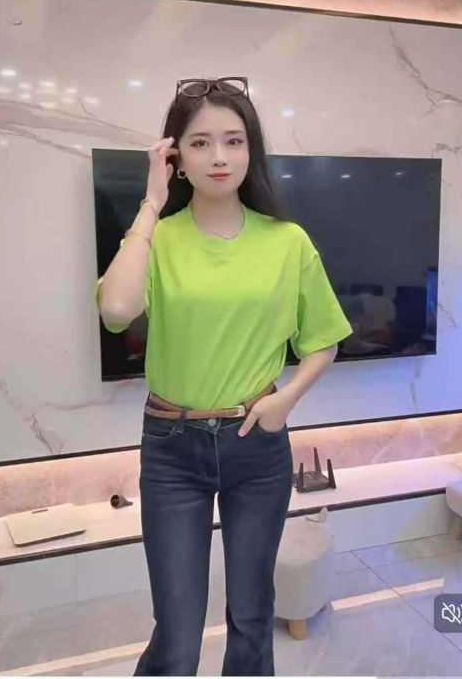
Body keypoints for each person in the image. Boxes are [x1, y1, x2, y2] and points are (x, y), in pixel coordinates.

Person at [96, 77, 353, 676]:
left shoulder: (287, 242)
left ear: (251, 150)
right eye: (200, 142)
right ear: (176, 157)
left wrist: (286, 399)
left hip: (256, 444)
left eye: (234, 141)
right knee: (178, 633)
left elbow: (324, 341)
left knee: (252, 619)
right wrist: (150, 204)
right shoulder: (158, 239)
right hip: (172, 447)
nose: (219, 156)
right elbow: (116, 310)